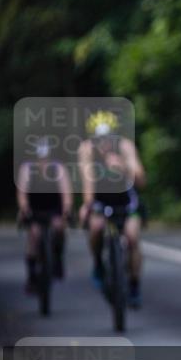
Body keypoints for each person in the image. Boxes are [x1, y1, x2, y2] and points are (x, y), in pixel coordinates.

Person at [78, 110, 147, 308]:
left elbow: (141, 180)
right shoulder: (86, 149)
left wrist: (124, 167)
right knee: (96, 228)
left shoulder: (125, 146)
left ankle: (134, 284)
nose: (104, 143)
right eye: (99, 138)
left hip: (125, 200)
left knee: (132, 237)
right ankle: (98, 263)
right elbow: (87, 179)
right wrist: (87, 205)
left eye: (108, 137)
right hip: (101, 199)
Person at [16, 137, 72, 292]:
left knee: (59, 228)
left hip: (54, 208)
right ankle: (32, 273)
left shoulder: (58, 169)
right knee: (34, 235)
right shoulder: (27, 169)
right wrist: (24, 208)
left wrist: (66, 210)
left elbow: (66, 193)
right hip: (35, 208)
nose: (43, 161)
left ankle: (58, 258)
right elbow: (22, 193)